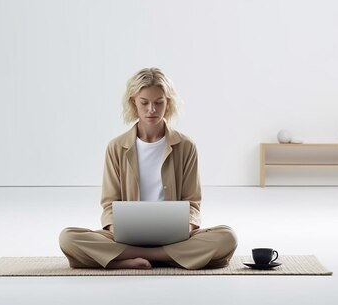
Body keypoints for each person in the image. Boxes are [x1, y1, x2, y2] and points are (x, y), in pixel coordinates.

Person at [59, 67, 237, 269]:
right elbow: (109, 204)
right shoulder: (116, 147)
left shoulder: (186, 146)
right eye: (144, 102)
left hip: (175, 237)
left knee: (227, 237)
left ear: (168, 103)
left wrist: (186, 227)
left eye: (158, 102)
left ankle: (129, 259)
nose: (151, 109)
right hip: (127, 237)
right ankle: (169, 258)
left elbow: (192, 202)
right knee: (68, 238)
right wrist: (116, 229)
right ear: (133, 102)